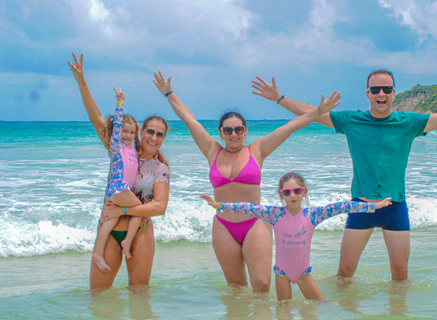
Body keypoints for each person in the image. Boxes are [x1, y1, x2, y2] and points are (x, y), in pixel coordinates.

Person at [251, 70, 437, 281]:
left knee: (400, 275)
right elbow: (313, 114)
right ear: (368, 94)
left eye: (387, 89)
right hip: (361, 207)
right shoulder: (351, 120)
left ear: (393, 93)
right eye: (376, 89)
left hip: (395, 206)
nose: (382, 93)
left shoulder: (408, 122)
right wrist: (279, 98)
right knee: (344, 272)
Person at [153, 70, 341, 292]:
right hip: (223, 227)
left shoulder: (257, 150)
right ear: (221, 133)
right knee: (236, 289)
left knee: (261, 285)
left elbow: (290, 127)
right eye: (228, 130)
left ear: (245, 131)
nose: (234, 134)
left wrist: (319, 112)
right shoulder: (212, 151)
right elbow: (189, 119)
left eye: (238, 129)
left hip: (255, 223)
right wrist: (169, 94)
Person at [200, 172, 393, 300]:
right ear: (281, 194)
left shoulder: (313, 214)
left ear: (304, 192)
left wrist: (373, 206)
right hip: (281, 273)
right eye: (287, 192)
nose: (293, 195)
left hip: (303, 273)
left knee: (320, 307)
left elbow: (343, 206)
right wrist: (222, 206)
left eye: (297, 190)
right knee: (284, 312)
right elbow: (248, 207)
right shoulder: (274, 214)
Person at [68, 52, 170, 289]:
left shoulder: (160, 168)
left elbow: (160, 207)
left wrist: (122, 207)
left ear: (163, 139)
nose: (153, 137)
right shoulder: (122, 150)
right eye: (150, 131)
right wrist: (82, 82)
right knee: (99, 297)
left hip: (141, 232)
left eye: (160, 134)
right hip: (109, 229)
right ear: (140, 131)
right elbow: (96, 117)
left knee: (139, 296)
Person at [91, 87, 143, 273]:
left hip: (120, 191)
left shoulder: (132, 149)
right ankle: (127, 241)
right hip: (117, 188)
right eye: (124, 132)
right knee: (139, 210)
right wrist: (120, 102)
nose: (127, 135)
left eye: (131, 132)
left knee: (111, 219)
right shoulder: (116, 146)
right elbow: (118, 125)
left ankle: (98, 252)